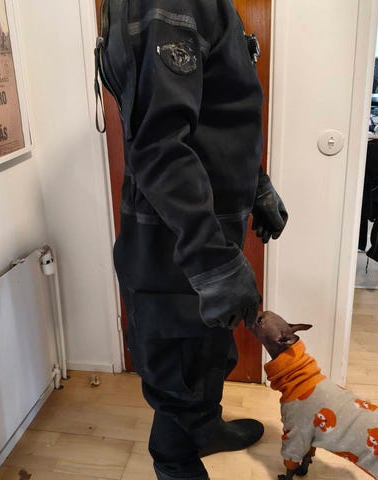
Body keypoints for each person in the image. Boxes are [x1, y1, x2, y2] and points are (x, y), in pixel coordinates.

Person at [95, 1, 288, 479]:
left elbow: (217, 117)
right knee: (181, 378)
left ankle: (205, 428)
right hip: (177, 244)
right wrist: (211, 259)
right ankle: (179, 458)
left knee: (204, 359)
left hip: (195, 233)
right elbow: (160, 145)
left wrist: (256, 184)